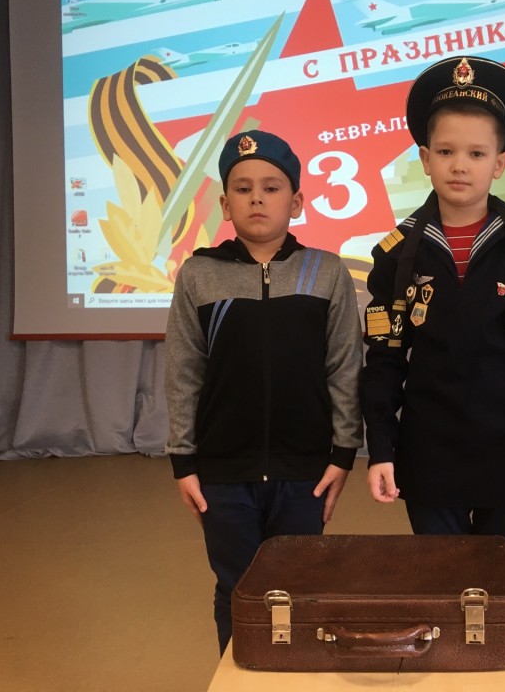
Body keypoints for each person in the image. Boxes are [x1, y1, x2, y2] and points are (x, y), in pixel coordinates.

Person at [360, 56, 505, 575]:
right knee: (440, 584)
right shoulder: (396, 256)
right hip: (430, 457)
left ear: (501, 163)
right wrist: (381, 449)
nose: (459, 165)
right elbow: (384, 362)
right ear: (425, 158)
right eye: (445, 151)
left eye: (476, 153)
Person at [164, 129, 363, 654]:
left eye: (272, 188)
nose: (257, 198)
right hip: (224, 473)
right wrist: (184, 461)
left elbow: (344, 367)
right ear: (224, 204)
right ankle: (241, 677)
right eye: (243, 188)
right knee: (239, 587)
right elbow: (183, 372)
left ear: (296, 202)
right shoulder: (198, 275)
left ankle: (295, 678)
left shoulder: (327, 271)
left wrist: (343, 453)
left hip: (304, 472)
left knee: (298, 586)